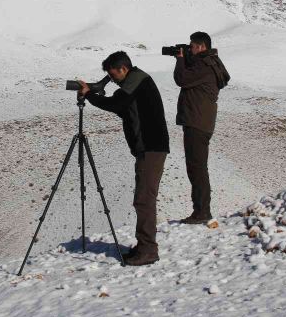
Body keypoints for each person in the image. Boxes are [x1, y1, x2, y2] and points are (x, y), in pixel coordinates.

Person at [79, 51, 169, 266]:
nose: (112, 80)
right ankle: (144, 246)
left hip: (151, 148)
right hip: (148, 148)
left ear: (123, 69)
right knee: (143, 199)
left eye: (113, 75)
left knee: (144, 200)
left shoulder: (136, 80)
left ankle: (148, 250)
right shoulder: (136, 82)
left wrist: (90, 94)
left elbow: (116, 105)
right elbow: (126, 110)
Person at [173, 31, 230, 224]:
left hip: (196, 122)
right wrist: (187, 58)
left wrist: (180, 59)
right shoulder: (210, 63)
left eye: (192, 46)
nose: (190, 49)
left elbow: (181, 79)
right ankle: (201, 210)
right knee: (198, 167)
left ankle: (202, 212)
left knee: (196, 168)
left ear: (201, 47)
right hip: (201, 122)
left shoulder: (205, 66)